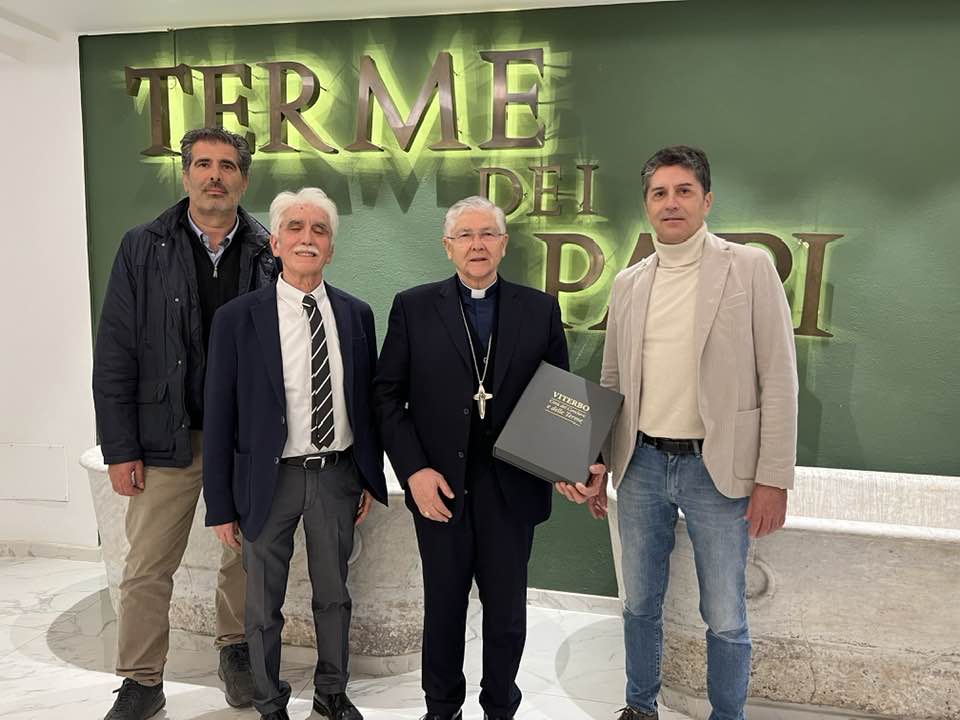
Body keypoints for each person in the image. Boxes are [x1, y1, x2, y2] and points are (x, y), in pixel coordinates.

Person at [558, 145, 798, 720]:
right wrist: (596, 464)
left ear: (706, 200)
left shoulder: (750, 268)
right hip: (640, 465)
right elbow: (612, 381)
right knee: (639, 602)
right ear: (647, 205)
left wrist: (773, 478)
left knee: (726, 614)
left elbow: (779, 378)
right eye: (660, 193)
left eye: (684, 191)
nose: (672, 203)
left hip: (718, 469)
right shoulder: (628, 283)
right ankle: (639, 706)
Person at [373, 195, 603, 720]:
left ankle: (501, 707)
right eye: (465, 235)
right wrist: (413, 472)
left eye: (487, 235)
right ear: (448, 246)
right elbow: (386, 397)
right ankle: (441, 708)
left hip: (512, 486)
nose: (476, 245)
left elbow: (560, 398)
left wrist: (570, 465)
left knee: (506, 613)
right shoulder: (413, 307)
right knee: (444, 607)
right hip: (440, 485)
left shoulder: (539, 309)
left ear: (503, 244)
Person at [93, 127, 277, 720]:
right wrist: (120, 446)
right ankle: (141, 680)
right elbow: (116, 351)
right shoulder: (141, 247)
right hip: (165, 437)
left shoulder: (269, 249)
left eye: (227, 165)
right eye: (203, 164)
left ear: (243, 179)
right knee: (147, 565)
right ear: (186, 174)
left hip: (244, 440)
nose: (214, 176)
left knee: (246, 557)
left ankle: (236, 651)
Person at [202, 187, 387, 720]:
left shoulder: (356, 314)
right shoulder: (238, 319)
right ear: (276, 244)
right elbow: (219, 415)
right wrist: (221, 505)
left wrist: (367, 476)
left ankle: (332, 693)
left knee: (334, 595)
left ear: (331, 247)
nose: (308, 238)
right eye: (295, 228)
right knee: (263, 603)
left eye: (320, 230)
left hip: (336, 476)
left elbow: (366, 403)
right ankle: (268, 701)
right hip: (268, 480)